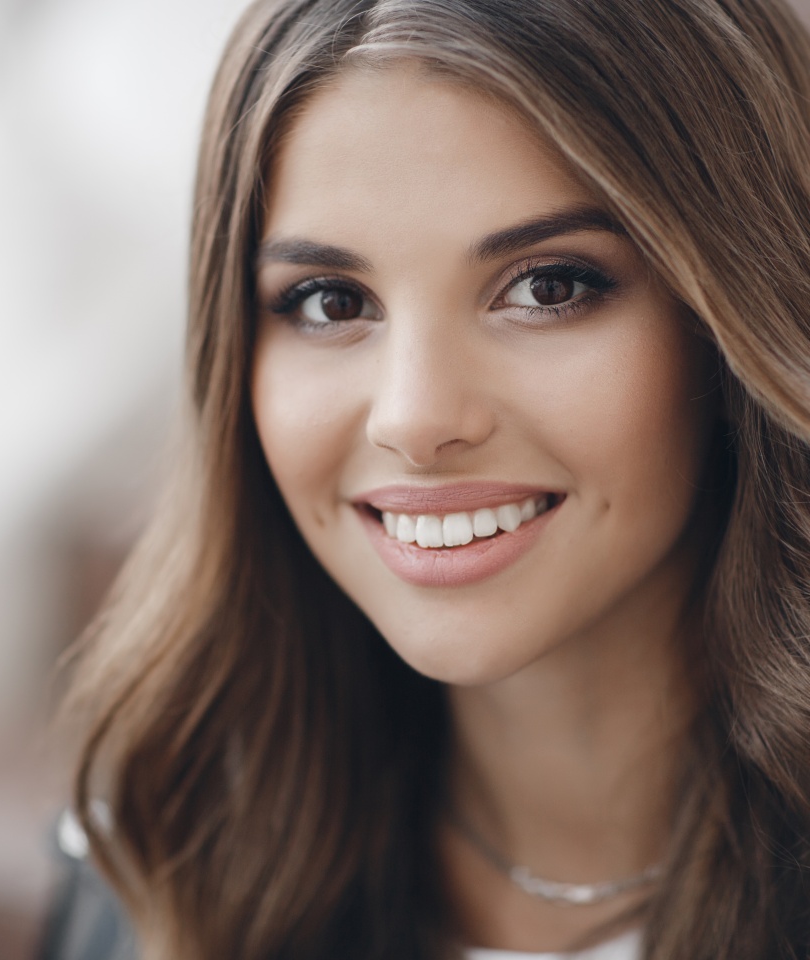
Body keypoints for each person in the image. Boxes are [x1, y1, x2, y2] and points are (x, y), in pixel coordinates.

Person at [63, 0, 810, 957]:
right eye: (331, 302)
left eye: (547, 287)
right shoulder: (161, 854)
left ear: (737, 319)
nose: (414, 419)